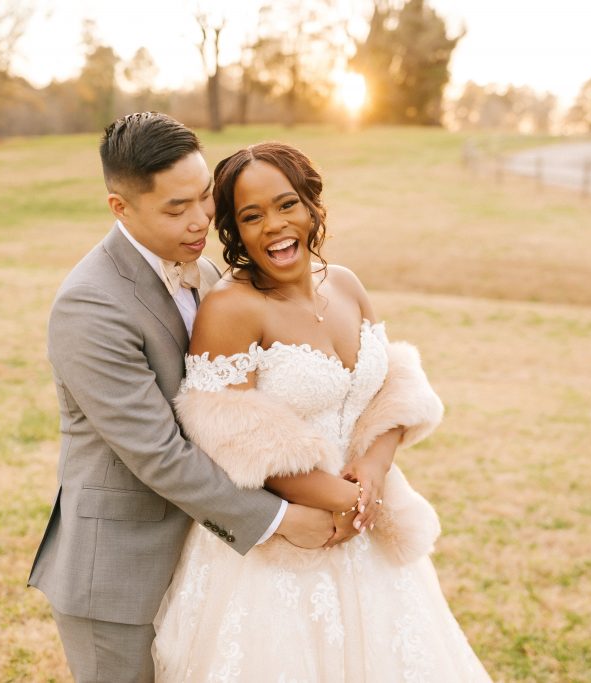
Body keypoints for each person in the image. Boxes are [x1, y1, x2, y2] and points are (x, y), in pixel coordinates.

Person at [152, 142, 492, 681]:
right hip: (283, 546)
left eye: (287, 205)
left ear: (311, 206)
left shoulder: (348, 285)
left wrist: (374, 473)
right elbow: (230, 437)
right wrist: (344, 498)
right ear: (235, 232)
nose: (274, 226)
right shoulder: (230, 307)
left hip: (367, 526)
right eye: (251, 216)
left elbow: (390, 386)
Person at [27, 114, 336, 683]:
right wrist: (279, 519)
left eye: (203, 198)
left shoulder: (205, 270)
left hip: (206, 560)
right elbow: (157, 453)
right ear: (121, 208)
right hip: (121, 574)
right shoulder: (89, 306)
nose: (200, 222)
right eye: (175, 208)